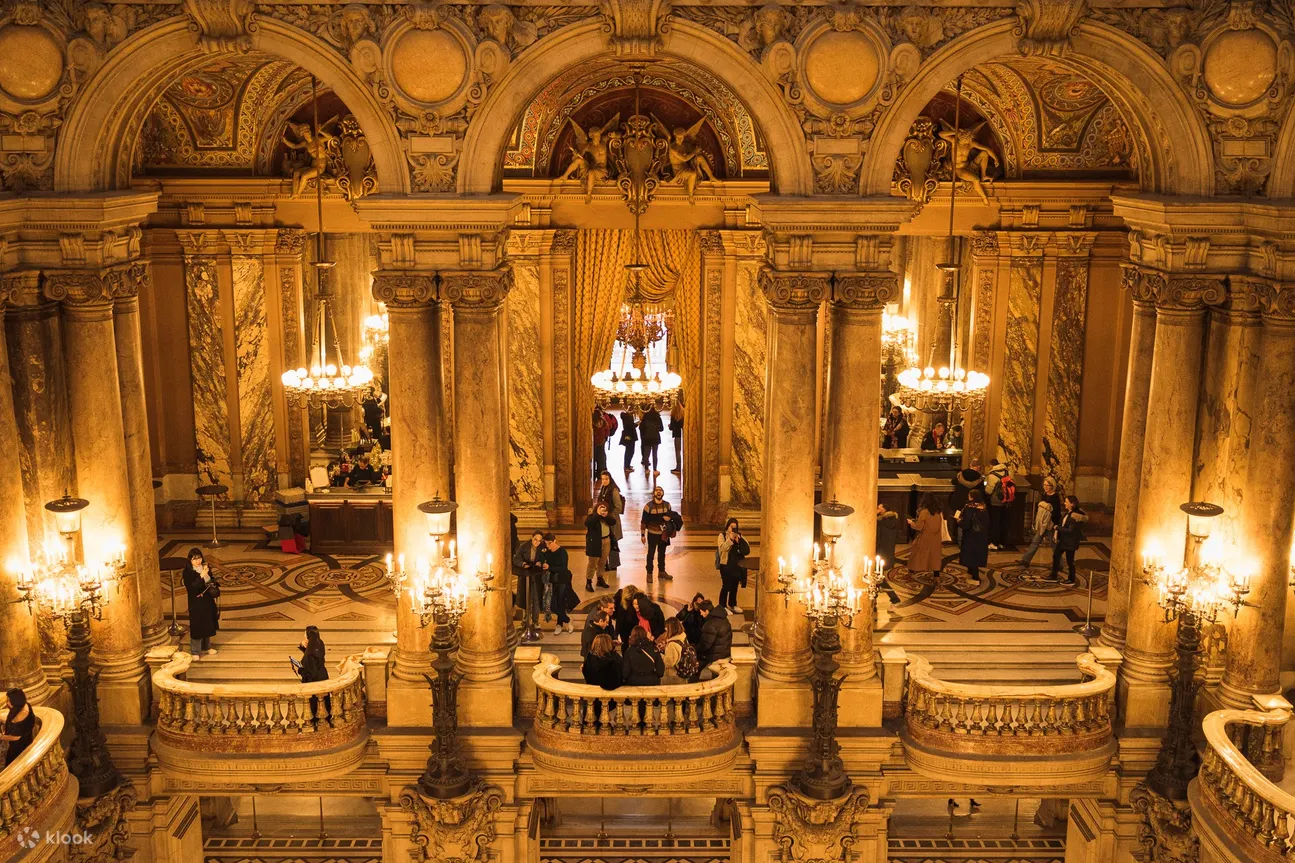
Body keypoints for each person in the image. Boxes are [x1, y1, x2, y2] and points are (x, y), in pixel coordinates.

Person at [182, 547, 220, 657]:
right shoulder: (187, 572)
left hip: (207, 599)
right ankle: (195, 651)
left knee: (207, 622)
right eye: (194, 559)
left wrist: (207, 575)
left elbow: (210, 581)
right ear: (190, 560)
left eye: (199, 558)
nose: (197, 561)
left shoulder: (205, 567)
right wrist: (201, 576)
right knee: (197, 625)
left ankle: (207, 646)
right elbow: (192, 587)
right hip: (196, 601)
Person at [514, 530, 547, 635]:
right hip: (525, 576)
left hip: (536, 577)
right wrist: (523, 564)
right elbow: (516, 559)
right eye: (535, 540)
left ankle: (536, 621)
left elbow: (546, 559)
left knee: (536, 598)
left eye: (539, 541)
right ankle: (525, 620)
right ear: (531, 538)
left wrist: (541, 563)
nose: (537, 542)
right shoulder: (524, 546)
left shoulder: (542, 548)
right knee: (525, 598)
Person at [296, 625, 331, 720]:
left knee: (316, 705)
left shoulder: (310, 652)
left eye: (304, 633)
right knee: (325, 702)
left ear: (308, 635)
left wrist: (300, 670)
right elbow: (313, 655)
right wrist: (303, 646)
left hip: (315, 681)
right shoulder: (319, 643)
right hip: (323, 675)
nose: (303, 635)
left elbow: (310, 673)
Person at [1051, 495, 1087, 586]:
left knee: (1070, 561)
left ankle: (1071, 579)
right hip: (1064, 541)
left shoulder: (1075, 516)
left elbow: (1070, 530)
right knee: (1056, 555)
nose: (1064, 503)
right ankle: (1053, 575)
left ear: (1072, 504)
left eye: (1066, 502)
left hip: (1070, 542)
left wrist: (1057, 528)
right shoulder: (1068, 513)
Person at [716, 518, 750, 615]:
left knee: (735, 586)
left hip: (737, 565)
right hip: (726, 565)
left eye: (735, 527)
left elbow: (747, 549)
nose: (733, 529)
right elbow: (722, 548)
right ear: (728, 526)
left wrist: (738, 541)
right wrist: (730, 539)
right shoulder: (722, 535)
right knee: (726, 586)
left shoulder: (739, 536)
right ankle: (722, 606)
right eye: (732, 526)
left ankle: (732, 604)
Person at [907, 494, 945, 579]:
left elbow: (919, 527)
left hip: (925, 537)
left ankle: (911, 572)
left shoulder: (924, 512)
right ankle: (936, 576)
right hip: (936, 538)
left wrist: (911, 523)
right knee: (935, 557)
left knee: (916, 554)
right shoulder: (938, 511)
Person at [543, 533, 575, 633]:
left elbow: (563, 568)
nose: (548, 546)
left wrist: (550, 567)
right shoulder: (547, 552)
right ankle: (567, 620)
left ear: (554, 541)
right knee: (553, 605)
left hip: (562, 580)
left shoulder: (562, 552)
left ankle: (559, 624)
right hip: (552, 580)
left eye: (550, 543)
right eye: (546, 544)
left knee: (560, 602)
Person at [641, 485, 674, 582]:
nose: (658, 492)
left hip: (663, 534)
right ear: (654, 493)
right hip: (652, 533)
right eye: (657, 490)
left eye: (660, 490)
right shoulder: (648, 506)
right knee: (651, 554)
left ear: (663, 493)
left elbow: (670, 518)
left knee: (662, 554)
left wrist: (669, 519)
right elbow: (643, 521)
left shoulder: (667, 505)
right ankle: (649, 573)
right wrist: (642, 535)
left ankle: (662, 572)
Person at [1019, 485, 1056, 568]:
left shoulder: (1055, 496)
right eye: (1045, 485)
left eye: (1047, 485)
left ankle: (1059, 563)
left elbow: (1055, 511)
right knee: (1035, 542)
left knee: (1054, 544)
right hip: (1042, 523)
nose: (1045, 487)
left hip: (1050, 524)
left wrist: (1054, 523)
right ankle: (1026, 560)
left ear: (1052, 486)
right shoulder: (1044, 494)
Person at [957, 490, 990, 583]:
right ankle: (970, 572)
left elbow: (966, 524)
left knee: (972, 557)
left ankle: (975, 578)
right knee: (976, 555)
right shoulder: (983, 507)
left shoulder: (970, 508)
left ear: (971, 497)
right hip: (981, 536)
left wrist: (959, 522)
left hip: (971, 537)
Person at [948, 459, 984, 544]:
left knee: (959, 519)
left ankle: (956, 539)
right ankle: (966, 541)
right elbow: (981, 492)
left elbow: (953, 481)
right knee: (969, 521)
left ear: (970, 465)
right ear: (978, 467)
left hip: (958, 502)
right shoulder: (979, 478)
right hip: (971, 503)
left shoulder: (961, 474)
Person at [584, 502, 615, 592]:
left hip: (606, 541)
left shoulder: (606, 517)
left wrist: (606, 516)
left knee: (602, 562)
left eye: (604, 509)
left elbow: (613, 522)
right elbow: (588, 524)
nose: (602, 511)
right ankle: (588, 581)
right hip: (595, 542)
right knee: (592, 563)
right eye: (601, 508)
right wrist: (597, 515)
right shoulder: (592, 516)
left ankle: (600, 578)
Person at [695, 600, 732, 671]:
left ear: (706, 611)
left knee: (695, 664)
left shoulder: (710, 625)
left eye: (701, 612)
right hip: (725, 651)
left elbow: (705, 645)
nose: (701, 614)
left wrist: (694, 648)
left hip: (716, 655)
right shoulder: (722, 617)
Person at [1, 688, 35, 766]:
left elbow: (15, 737)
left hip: (19, 745)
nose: (7, 703)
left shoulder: (19, 716)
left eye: (8, 700)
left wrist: (1, 737)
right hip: (26, 737)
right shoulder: (24, 704)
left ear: (15, 701)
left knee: (11, 763)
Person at [985, 459, 1012, 550]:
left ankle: (995, 542)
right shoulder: (1007, 472)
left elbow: (989, 491)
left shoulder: (992, 475)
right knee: (1004, 521)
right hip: (1007, 500)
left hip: (996, 501)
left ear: (991, 465)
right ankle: (1002, 542)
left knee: (995, 522)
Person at [660, 619, 695, 684]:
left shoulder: (672, 644)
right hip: (682, 674)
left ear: (671, 629)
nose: (665, 629)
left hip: (673, 677)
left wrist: (660, 656)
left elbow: (669, 663)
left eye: (666, 627)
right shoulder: (682, 638)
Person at [612, 584, 643, 650]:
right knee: (625, 643)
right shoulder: (620, 598)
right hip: (624, 626)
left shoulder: (639, 598)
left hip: (635, 624)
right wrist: (615, 635)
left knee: (636, 642)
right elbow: (620, 619)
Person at [876, 504, 904, 571]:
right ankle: (887, 565)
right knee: (887, 552)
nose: (877, 509)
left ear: (884, 509)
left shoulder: (885, 518)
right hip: (888, 538)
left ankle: (884, 566)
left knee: (884, 552)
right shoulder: (888, 517)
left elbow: (887, 526)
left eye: (879, 508)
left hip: (885, 538)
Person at [639, 401, 665, 476]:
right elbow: (661, 429)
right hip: (655, 438)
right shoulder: (657, 417)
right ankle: (655, 470)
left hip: (647, 438)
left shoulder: (645, 417)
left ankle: (646, 469)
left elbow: (641, 428)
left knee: (646, 455)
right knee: (655, 454)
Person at [592, 407, 614, 473]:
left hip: (595, 442)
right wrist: (605, 438)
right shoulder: (603, 422)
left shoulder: (593, 423)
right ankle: (602, 469)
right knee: (601, 455)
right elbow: (608, 429)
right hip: (602, 441)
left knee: (595, 455)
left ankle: (594, 470)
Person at [669, 402, 684, 474]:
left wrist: (670, 426)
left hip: (677, 434)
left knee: (678, 451)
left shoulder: (673, 415)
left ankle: (678, 467)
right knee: (683, 451)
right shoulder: (683, 414)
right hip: (683, 434)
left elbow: (671, 427)